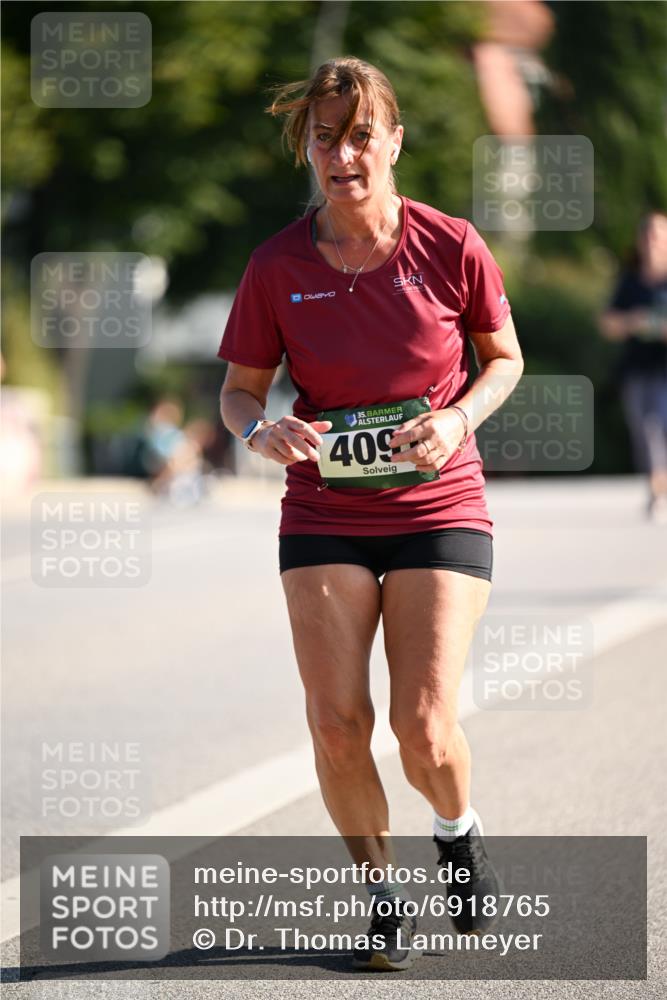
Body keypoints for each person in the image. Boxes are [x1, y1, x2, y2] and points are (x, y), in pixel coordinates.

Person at [218, 56, 524, 971]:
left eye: (360, 135)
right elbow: (239, 391)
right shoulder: (275, 264)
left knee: (423, 725)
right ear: (306, 149)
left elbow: (501, 358)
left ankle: (457, 831)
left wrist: (457, 417)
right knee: (334, 722)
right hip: (323, 506)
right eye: (325, 138)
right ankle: (383, 900)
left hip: (438, 501)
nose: (342, 153)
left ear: (392, 141)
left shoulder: (451, 243)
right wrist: (259, 432)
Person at [599, 212, 667, 524]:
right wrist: (633, 321)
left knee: (659, 427)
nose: (654, 241)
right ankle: (657, 491)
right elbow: (607, 324)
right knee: (645, 432)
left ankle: (659, 491)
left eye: (660, 234)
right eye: (649, 235)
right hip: (637, 370)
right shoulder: (630, 280)